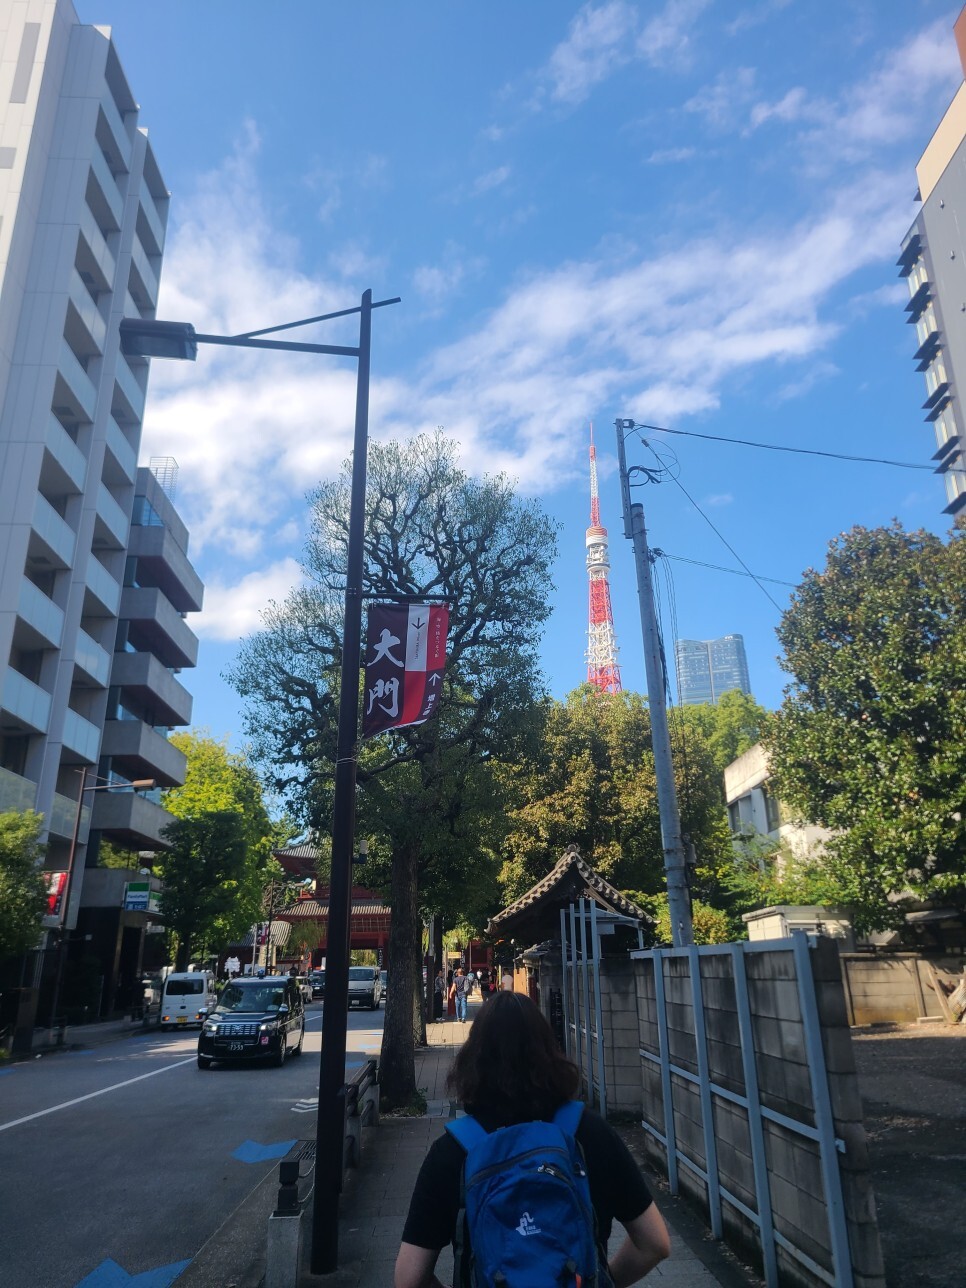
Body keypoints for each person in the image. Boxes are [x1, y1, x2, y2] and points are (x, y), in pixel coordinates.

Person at [394, 992, 669, 1288]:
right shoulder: (590, 1133)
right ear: (549, 1050)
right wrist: (603, 1279)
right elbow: (654, 1243)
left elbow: (409, 1279)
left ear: (473, 1059)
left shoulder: (454, 1151)